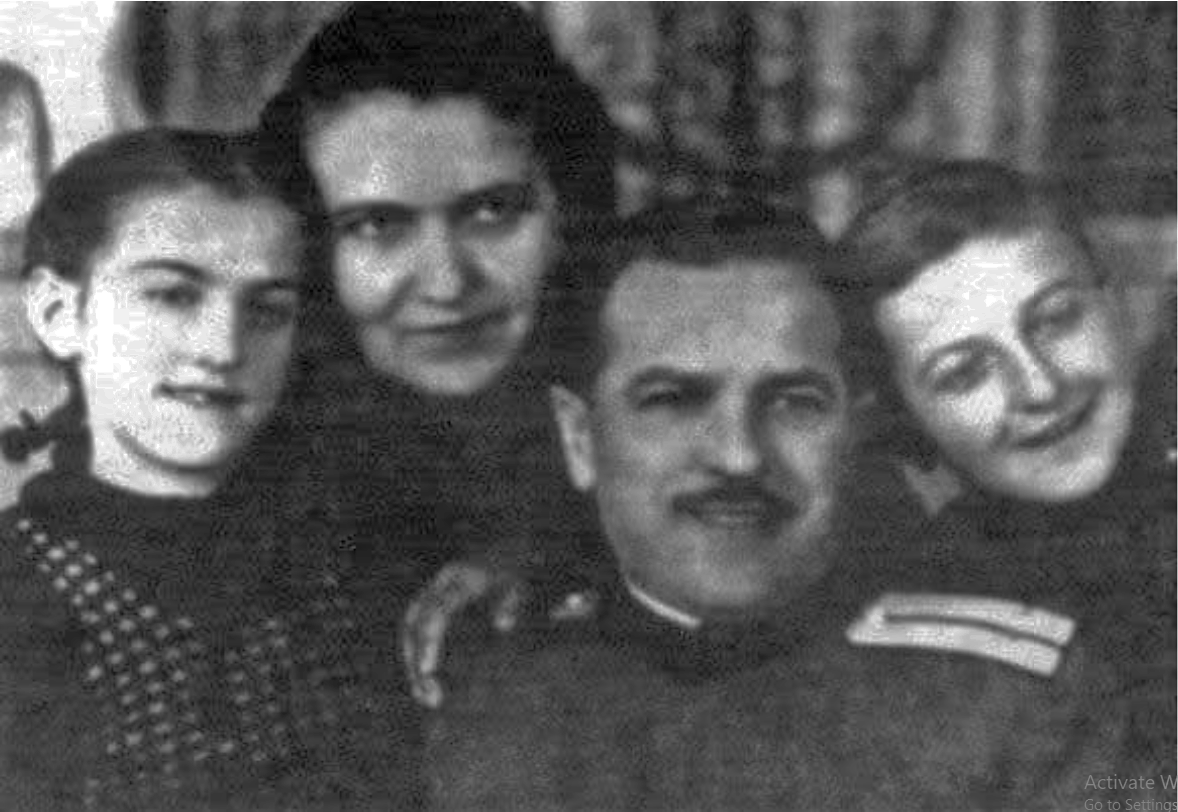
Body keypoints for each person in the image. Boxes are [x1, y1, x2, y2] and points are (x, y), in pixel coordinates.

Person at [424, 195, 1143, 811]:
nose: (739, 455)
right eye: (672, 400)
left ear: (856, 432)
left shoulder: (1025, 703)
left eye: (795, 402)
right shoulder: (498, 708)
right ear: (580, 439)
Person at [0, 128, 419, 811]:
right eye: (173, 295)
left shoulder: (359, 569)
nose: (223, 348)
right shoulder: (15, 595)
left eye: (268, 310)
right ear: (58, 313)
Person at [257, 1, 618, 708]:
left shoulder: (664, 404)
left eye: (492, 211)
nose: (449, 284)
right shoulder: (246, 462)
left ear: (569, 215)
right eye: (377, 225)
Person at [833, 159, 1176, 782]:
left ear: (1119, 304)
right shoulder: (922, 637)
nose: (1040, 386)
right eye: (965, 373)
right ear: (906, 418)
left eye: (1057, 319)